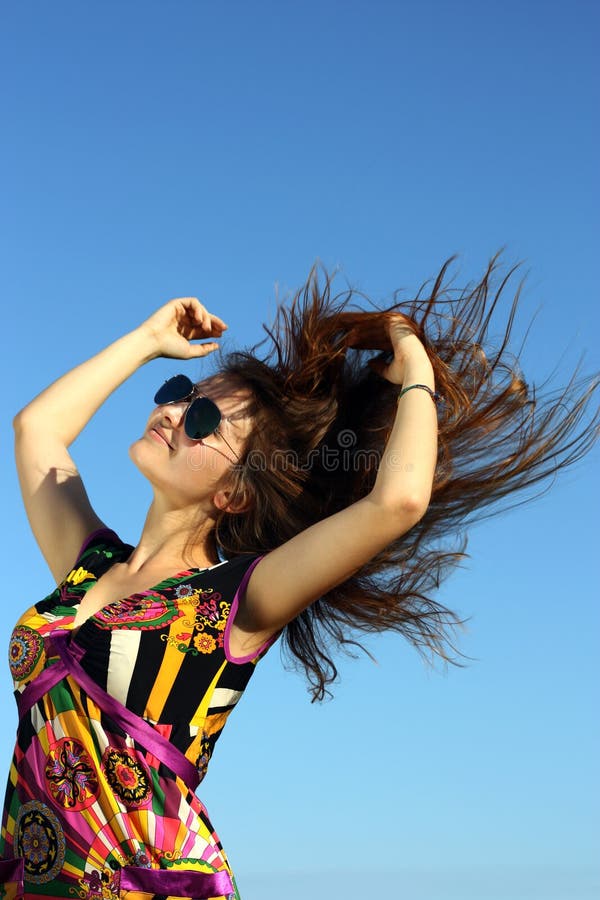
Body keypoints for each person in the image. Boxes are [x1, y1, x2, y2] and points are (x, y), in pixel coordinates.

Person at [0, 254, 596, 899]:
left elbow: (397, 502)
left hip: (155, 884)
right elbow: (37, 430)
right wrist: (148, 343)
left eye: (201, 421)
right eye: (179, 397)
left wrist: (414, 364)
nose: (174, 414)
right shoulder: (86, 569)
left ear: (235, 495)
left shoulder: (234, 601)